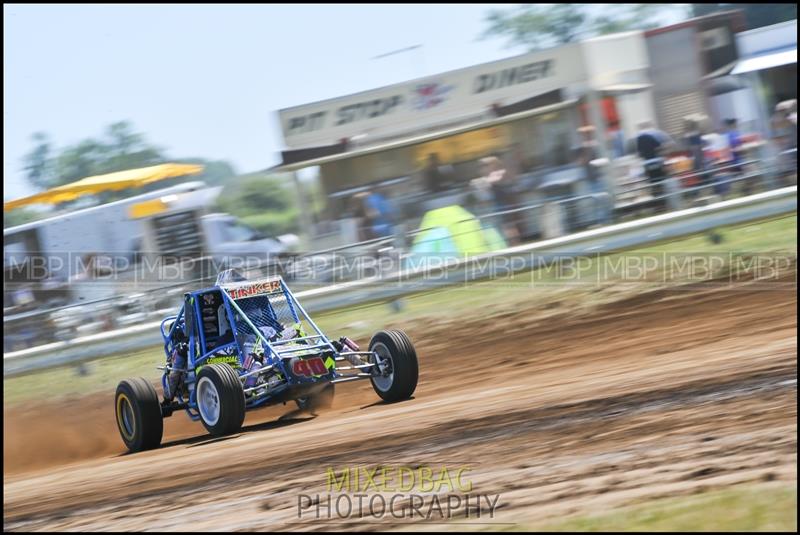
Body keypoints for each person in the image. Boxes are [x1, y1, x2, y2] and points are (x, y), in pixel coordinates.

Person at [635, 120, 674, 212]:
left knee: (653, 183)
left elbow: (639, 153)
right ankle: (665, 203)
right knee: (661, 181)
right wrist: (664, 152)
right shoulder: (657, 133)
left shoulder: (639, 138)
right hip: (657, 162)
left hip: (647, 164)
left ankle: (658, 204)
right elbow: (662, 146)